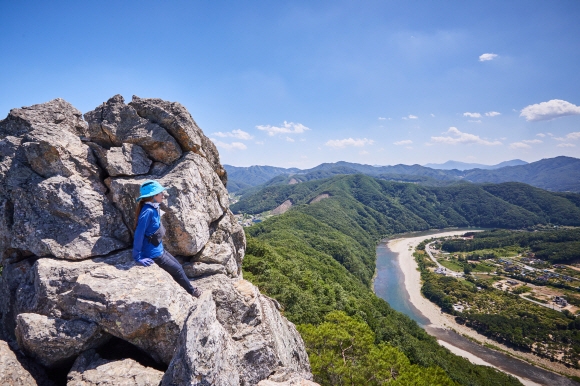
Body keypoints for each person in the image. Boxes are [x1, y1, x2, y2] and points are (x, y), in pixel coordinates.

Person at [133, 180, 202, 298]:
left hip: (159, 248)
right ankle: (192, 291)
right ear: (153, 196)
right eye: (160, 193)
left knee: (178, 267)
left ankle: (187, 287)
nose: (163, 195)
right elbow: (139, 233)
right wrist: (137, 256)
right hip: (153, 253)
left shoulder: (154, 207)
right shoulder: (148, 211)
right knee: (178, 270)